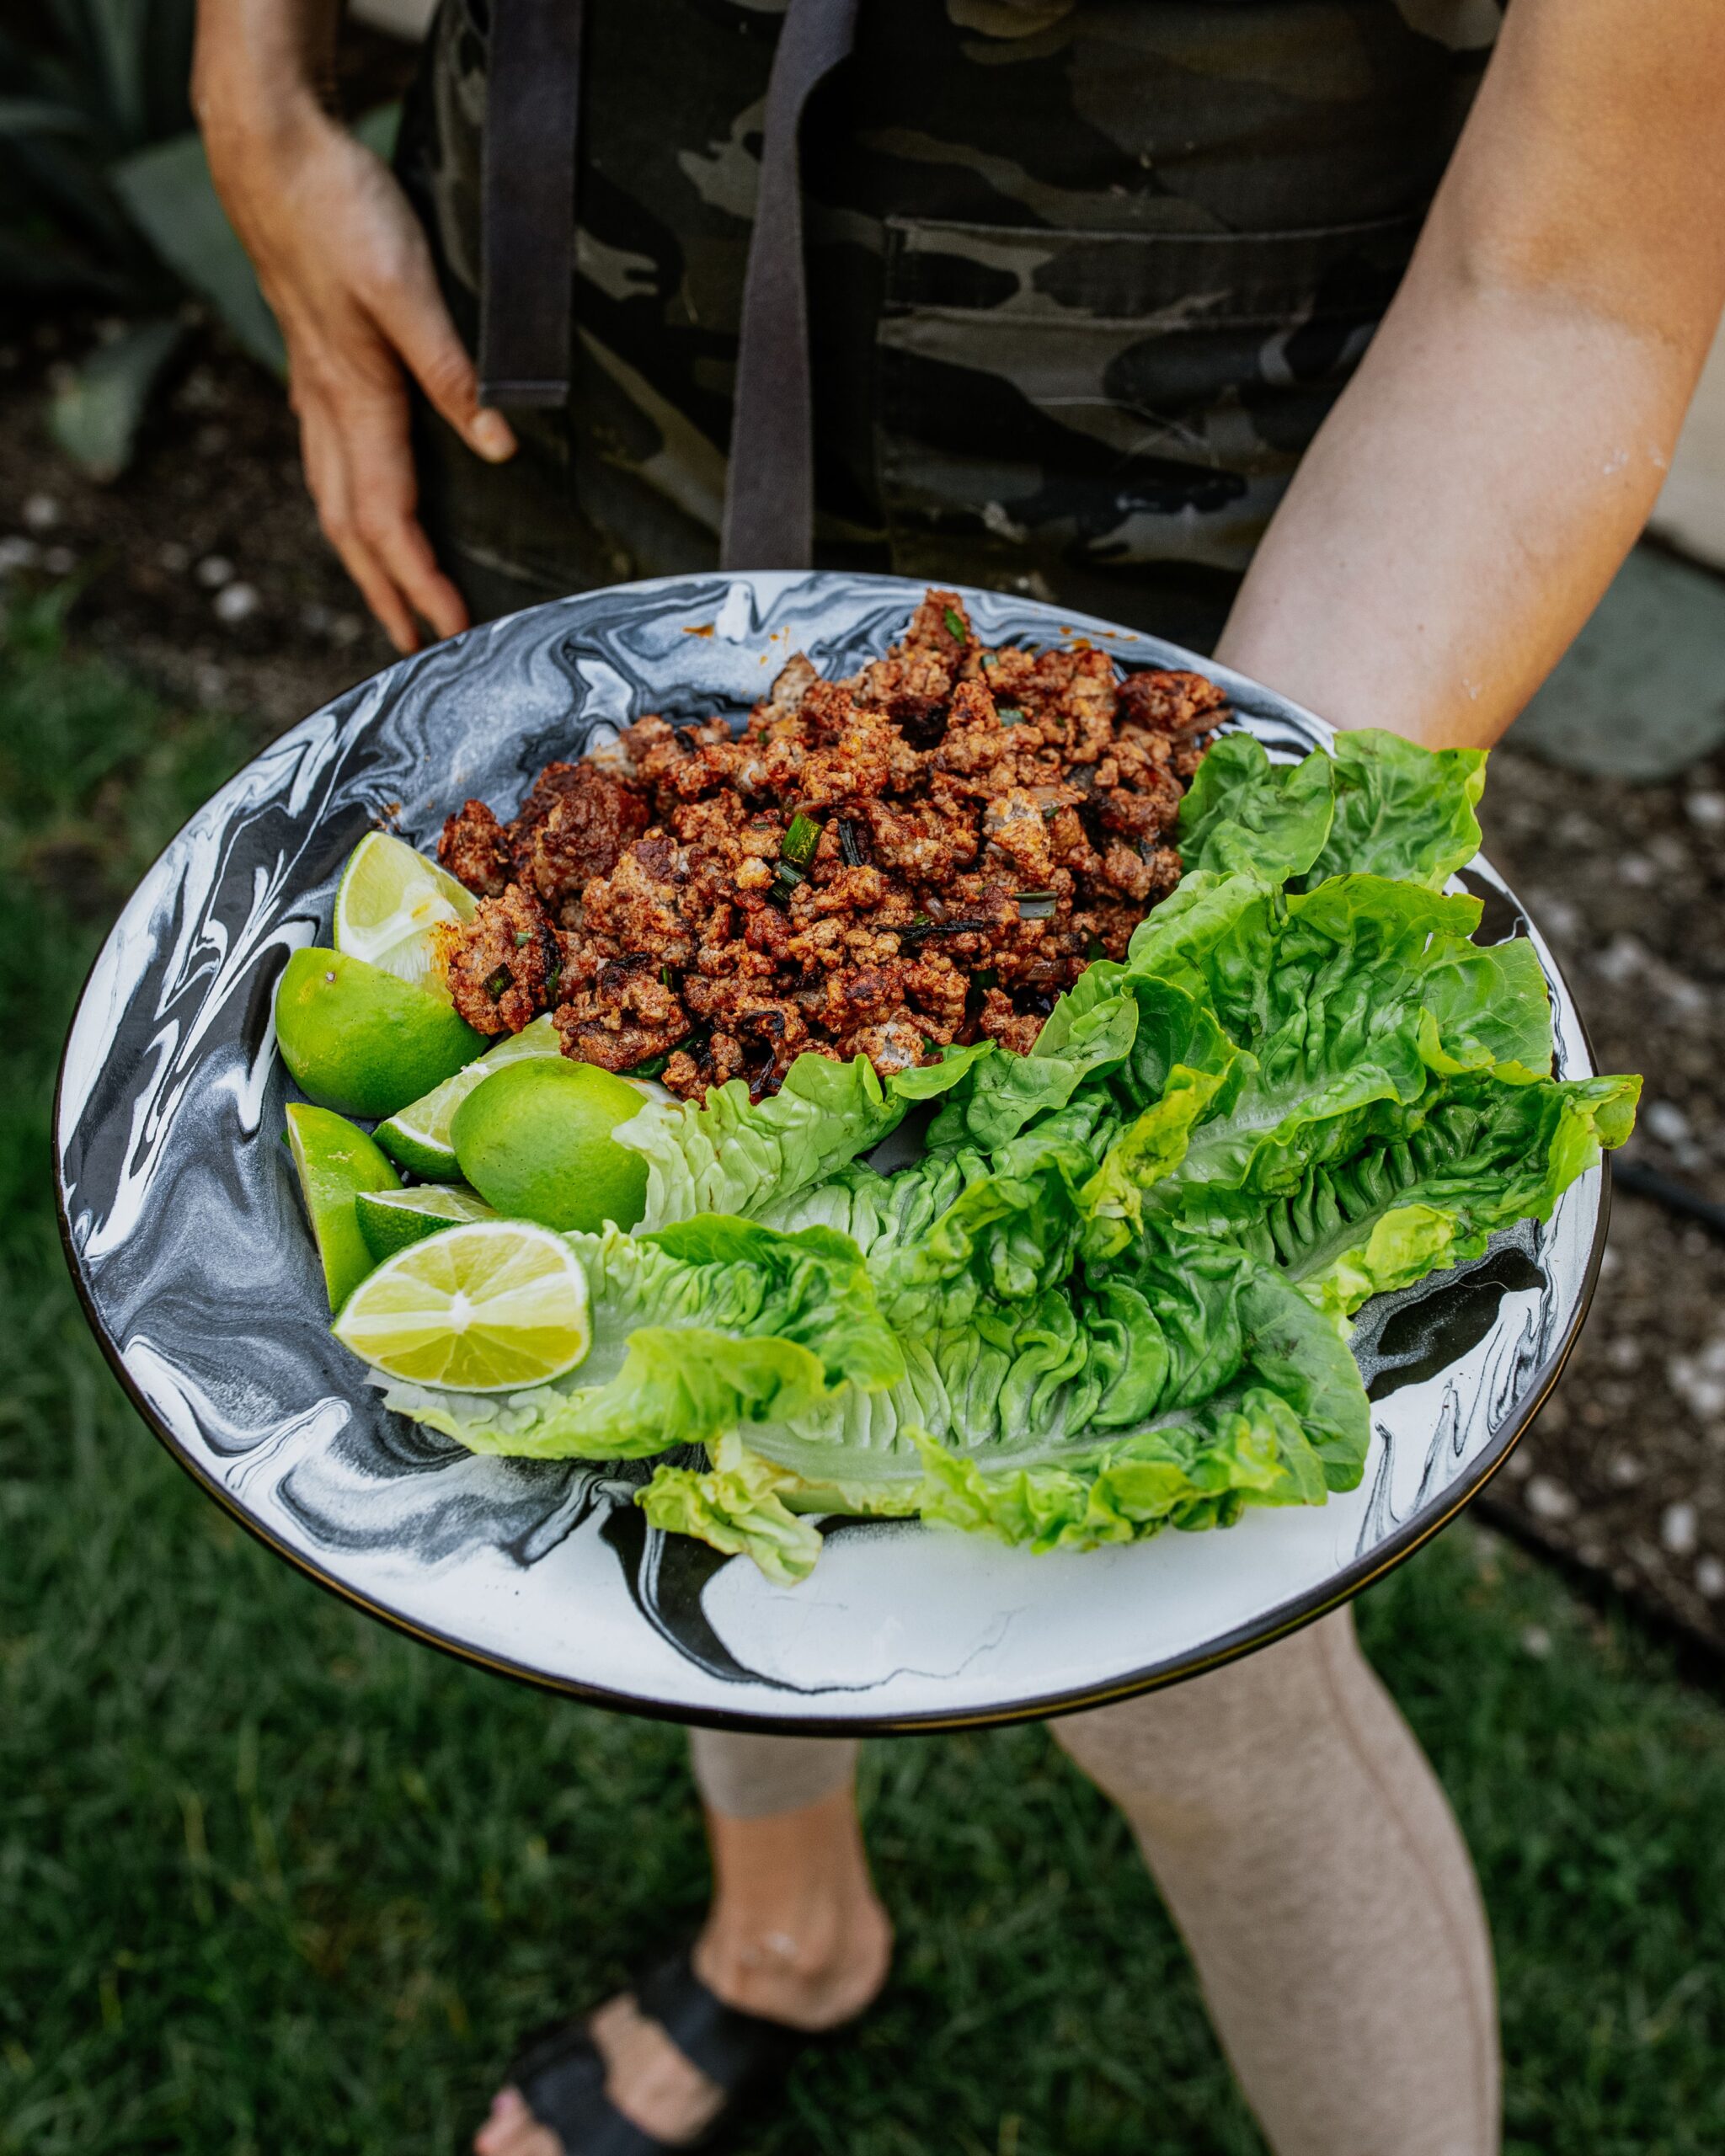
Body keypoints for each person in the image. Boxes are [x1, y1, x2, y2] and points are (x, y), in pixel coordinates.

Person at [192, 3, 1725, 2152]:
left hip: (1175, 531)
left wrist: (1177, 945)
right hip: (592, 347)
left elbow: (1560, 277)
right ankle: (787, 1923)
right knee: (662, 1324)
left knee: (1190, 1671)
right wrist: (254, 79)